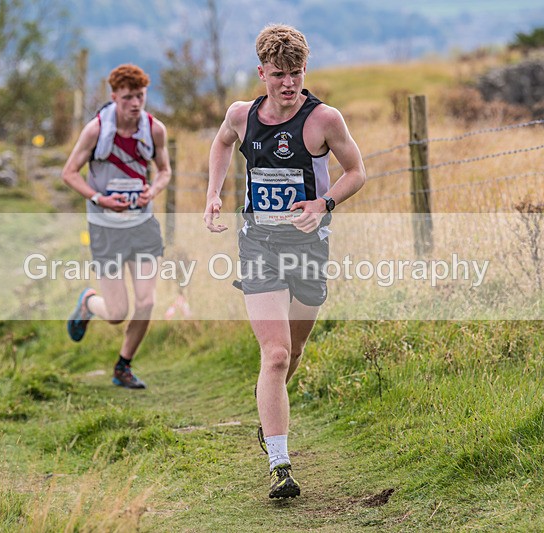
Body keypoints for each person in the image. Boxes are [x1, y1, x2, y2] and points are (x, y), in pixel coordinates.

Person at [204, 24, 366, 499]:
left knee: (293, 353)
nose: (289, 84)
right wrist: (213, 195)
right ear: (262, 73)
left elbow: (357, 172)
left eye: (296, 73)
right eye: (279, 75)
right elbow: (220, 143)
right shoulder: (241, 115)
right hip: (259, 245)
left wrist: (324, 204)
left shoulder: (324, 120)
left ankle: (268, 414)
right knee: (273, 355)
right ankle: (280, 462)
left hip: (310, 248)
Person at [63, 64, 171, 389]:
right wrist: (99, 198)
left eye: (140, 96)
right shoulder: (95, 130)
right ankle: (88, 302)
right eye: (128, 98)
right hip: (105, 227)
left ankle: (123, 366)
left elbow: (165, 171)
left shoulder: (155, 130)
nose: (135, 104)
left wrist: (153, 190)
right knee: (116, 312)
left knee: (147, 301)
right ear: (114, 97)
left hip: (142, 224)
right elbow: (69, 172)